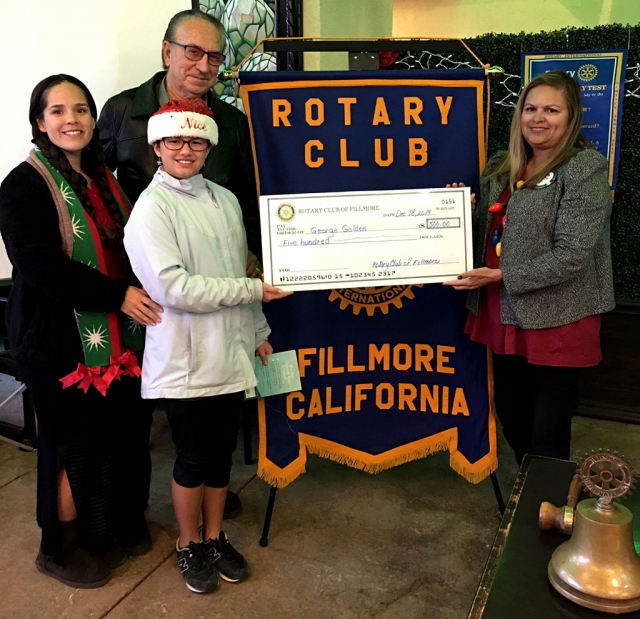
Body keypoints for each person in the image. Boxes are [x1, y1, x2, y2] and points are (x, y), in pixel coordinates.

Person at [0, 74, 163, 588]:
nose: (72, 120)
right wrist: (117, 296)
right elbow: (41, 265)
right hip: (55, 340)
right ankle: (59, 546)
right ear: (39, 123)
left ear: (94, 120)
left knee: (111, 438)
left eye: (82, 110)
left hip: (117, 338)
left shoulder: (104, 177)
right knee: (70, 445)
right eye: (58, 111)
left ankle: (103, 530)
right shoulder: (23, 184)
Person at [124, 98, 291, 594]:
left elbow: (240, 269)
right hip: (186, 359)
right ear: (156, 145)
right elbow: (175, 288)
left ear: (208, 146)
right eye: (174, 140)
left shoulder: (225, 199)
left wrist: (259, 331)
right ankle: (187, 542)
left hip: (232, 350)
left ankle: (215, 537)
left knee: (220, 457)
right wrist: (254, 292)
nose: (184, 149)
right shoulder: (151, 210)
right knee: (193, 458)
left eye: (195, 140)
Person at [97, 8, 260, 519]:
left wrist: (251, 265)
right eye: (193, 51)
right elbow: (97, 199)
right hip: (139, 293)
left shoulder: (232, 123)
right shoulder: (123, 111)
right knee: (136, 414)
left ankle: (209, 501)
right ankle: (129, 516)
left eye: (215, 56)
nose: (204, 64)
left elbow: (245, 202)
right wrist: (114, 289)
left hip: (215, 290)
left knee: (210, 417)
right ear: (167, 51)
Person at [444, 70, 614, 464]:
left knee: (548, 430)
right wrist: (457, 215)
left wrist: (503, 276)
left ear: (570, 119)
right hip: (502, 314)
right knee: (513, 416)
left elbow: (573, 254)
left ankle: (547, 511)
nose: (538, 118)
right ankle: (531, 497)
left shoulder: (583, 168)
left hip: (557, 316)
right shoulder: (502, 167)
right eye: (531, 108)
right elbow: (489, 235)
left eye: (551, 110)